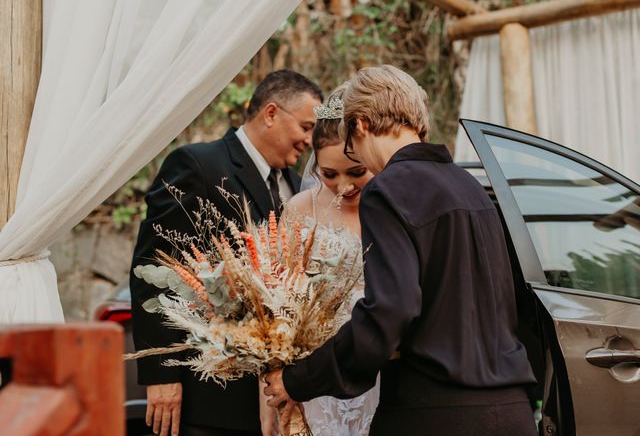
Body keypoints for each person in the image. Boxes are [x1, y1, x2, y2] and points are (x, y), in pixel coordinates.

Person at [264, 65, 537, 436]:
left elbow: (391, 312)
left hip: (435, 413)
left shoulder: (389, 189)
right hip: (511, 412)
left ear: (359, 125)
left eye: (350, 145)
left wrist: (299, 380)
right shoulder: (471, 189)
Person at [130, 69, 322, 436]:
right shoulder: (197, 165)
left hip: (277, 398)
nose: (309, 141)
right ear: (271, 113)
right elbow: (154, 268)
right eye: (305, 127)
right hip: (209, 397)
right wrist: (163, 375)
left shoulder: (298, 189)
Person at [259, 84, 378, 436]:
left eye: (356, 172)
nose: (343, 186)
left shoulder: (390, 208)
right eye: (329, 175)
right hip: (313, 373)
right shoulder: (300, 209)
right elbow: (274, 305)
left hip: (379, 369)